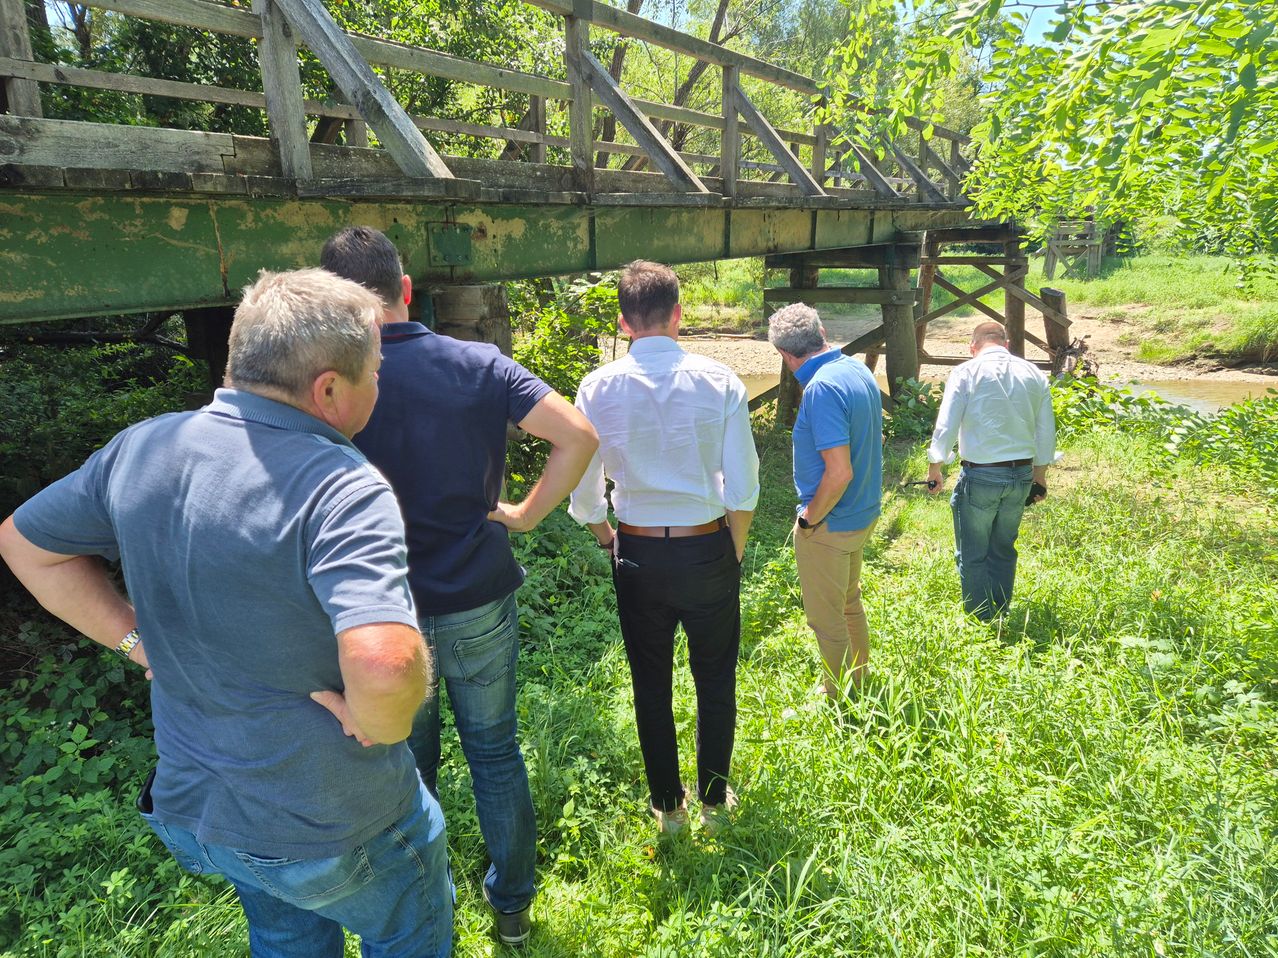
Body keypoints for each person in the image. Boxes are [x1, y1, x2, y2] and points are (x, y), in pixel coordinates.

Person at [0, 269, 453, 957]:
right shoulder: (341, 487)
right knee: (409, 930)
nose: (378, 387)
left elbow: (24, 545)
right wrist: (380, 718)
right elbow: (385, 665)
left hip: (207, 811)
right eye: (376, 373)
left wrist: (137, 644)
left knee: (284, 931)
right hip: (336, 822)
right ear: (329, 390)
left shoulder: (142, 448)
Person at [320, 226, 598, 946]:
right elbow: (578, 433)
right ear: (405, 291)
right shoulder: (479, 363)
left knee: (408, 760)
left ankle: (425, 896)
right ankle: (512, 909)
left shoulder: (326, 385)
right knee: (496, 751)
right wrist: (528, 515)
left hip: (382, 615)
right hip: (478, 592)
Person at [568, 260, 759, 836]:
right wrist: (735, 548)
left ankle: (668, 809)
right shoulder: (720, 380)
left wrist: (604, 533)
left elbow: (583, 482)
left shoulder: (597, 386)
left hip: (639, 553)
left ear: (624, 323)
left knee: (650, 681)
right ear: (679, 315)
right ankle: (715, 803)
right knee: (715, 676)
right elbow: (744, 482)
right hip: (707, 546)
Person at [767, 303, 883, 700]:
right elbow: (871, 438)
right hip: (863, 512)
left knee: (825, 618)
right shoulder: (856, 370)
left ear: (784, 354)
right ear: (823, 332)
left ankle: (839, 698)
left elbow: (839, 472)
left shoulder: (821, 388)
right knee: (849, 602)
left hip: (832, 523)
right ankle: (861, 679)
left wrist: (808, 521)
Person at [927, 320, 1056, 620]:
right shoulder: (1033, 373)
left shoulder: (965, 372)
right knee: (1003, 548)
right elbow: (1045, 431)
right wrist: (1040, 477)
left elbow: (946, 424)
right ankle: (1001, 611)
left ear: (973, 347)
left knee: (973, 553)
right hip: (1022, 475)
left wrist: (935, 467)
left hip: (981, 475)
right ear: (1006, 344)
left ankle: (978, 618)